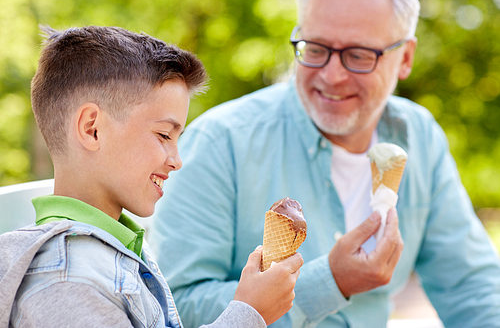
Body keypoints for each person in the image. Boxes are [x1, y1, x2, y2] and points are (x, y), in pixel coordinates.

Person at [150, 0, 500, 327]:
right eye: (316, 49)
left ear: (406, 57)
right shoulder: (220, 142)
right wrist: (330, 282)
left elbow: (470, 285)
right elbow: (177, 306)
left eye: (359, 55)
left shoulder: (420, 136)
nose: (332, 76)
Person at [0, 25, 304, 328]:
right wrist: (250, 314)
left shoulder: (117, 248)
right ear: (92, 128)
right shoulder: (68, 282)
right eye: (163, 135)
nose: (177, 161)